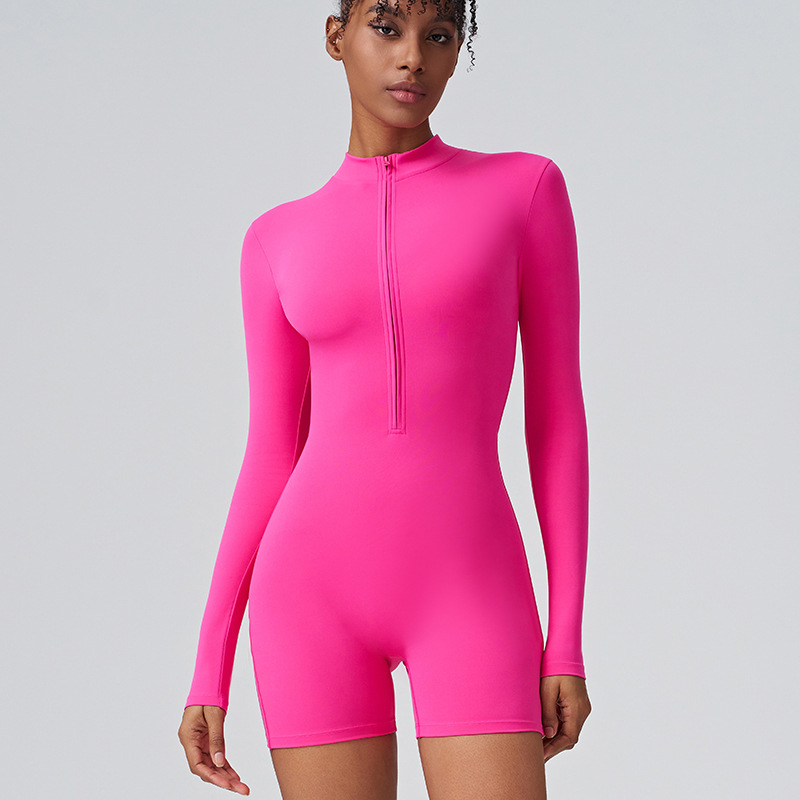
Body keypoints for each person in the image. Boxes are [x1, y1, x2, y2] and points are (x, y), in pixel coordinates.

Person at [177, 1, 592, 797]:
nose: (413, 58)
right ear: (337, 37)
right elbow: (270, 453)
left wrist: (564, 640)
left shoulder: (524, 189)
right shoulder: (274, 239)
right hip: (309, 596)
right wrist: (208, 666)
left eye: (439, 36)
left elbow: (557, 421)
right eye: (388, 27)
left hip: (469, 583)